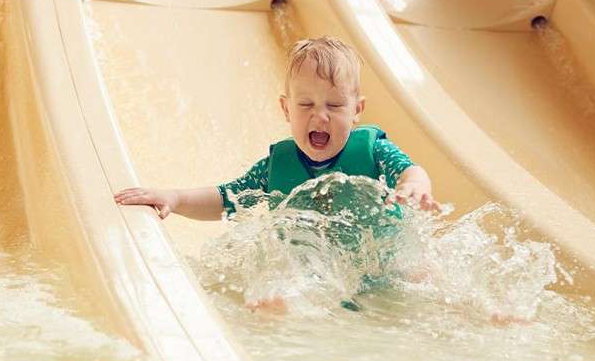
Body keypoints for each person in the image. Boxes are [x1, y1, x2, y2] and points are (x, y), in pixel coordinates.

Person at [113, 36, 438, 223]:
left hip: (383, 261)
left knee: (420, 271)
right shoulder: (275, 168)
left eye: (335, 106)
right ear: (286, 109)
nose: (320, 117)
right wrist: (175, 197)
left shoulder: (374, 152)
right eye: (306, 105)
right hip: (321, 266)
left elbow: (411, 171)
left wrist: (415, 187)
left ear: (357, 111)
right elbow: (228, 198)